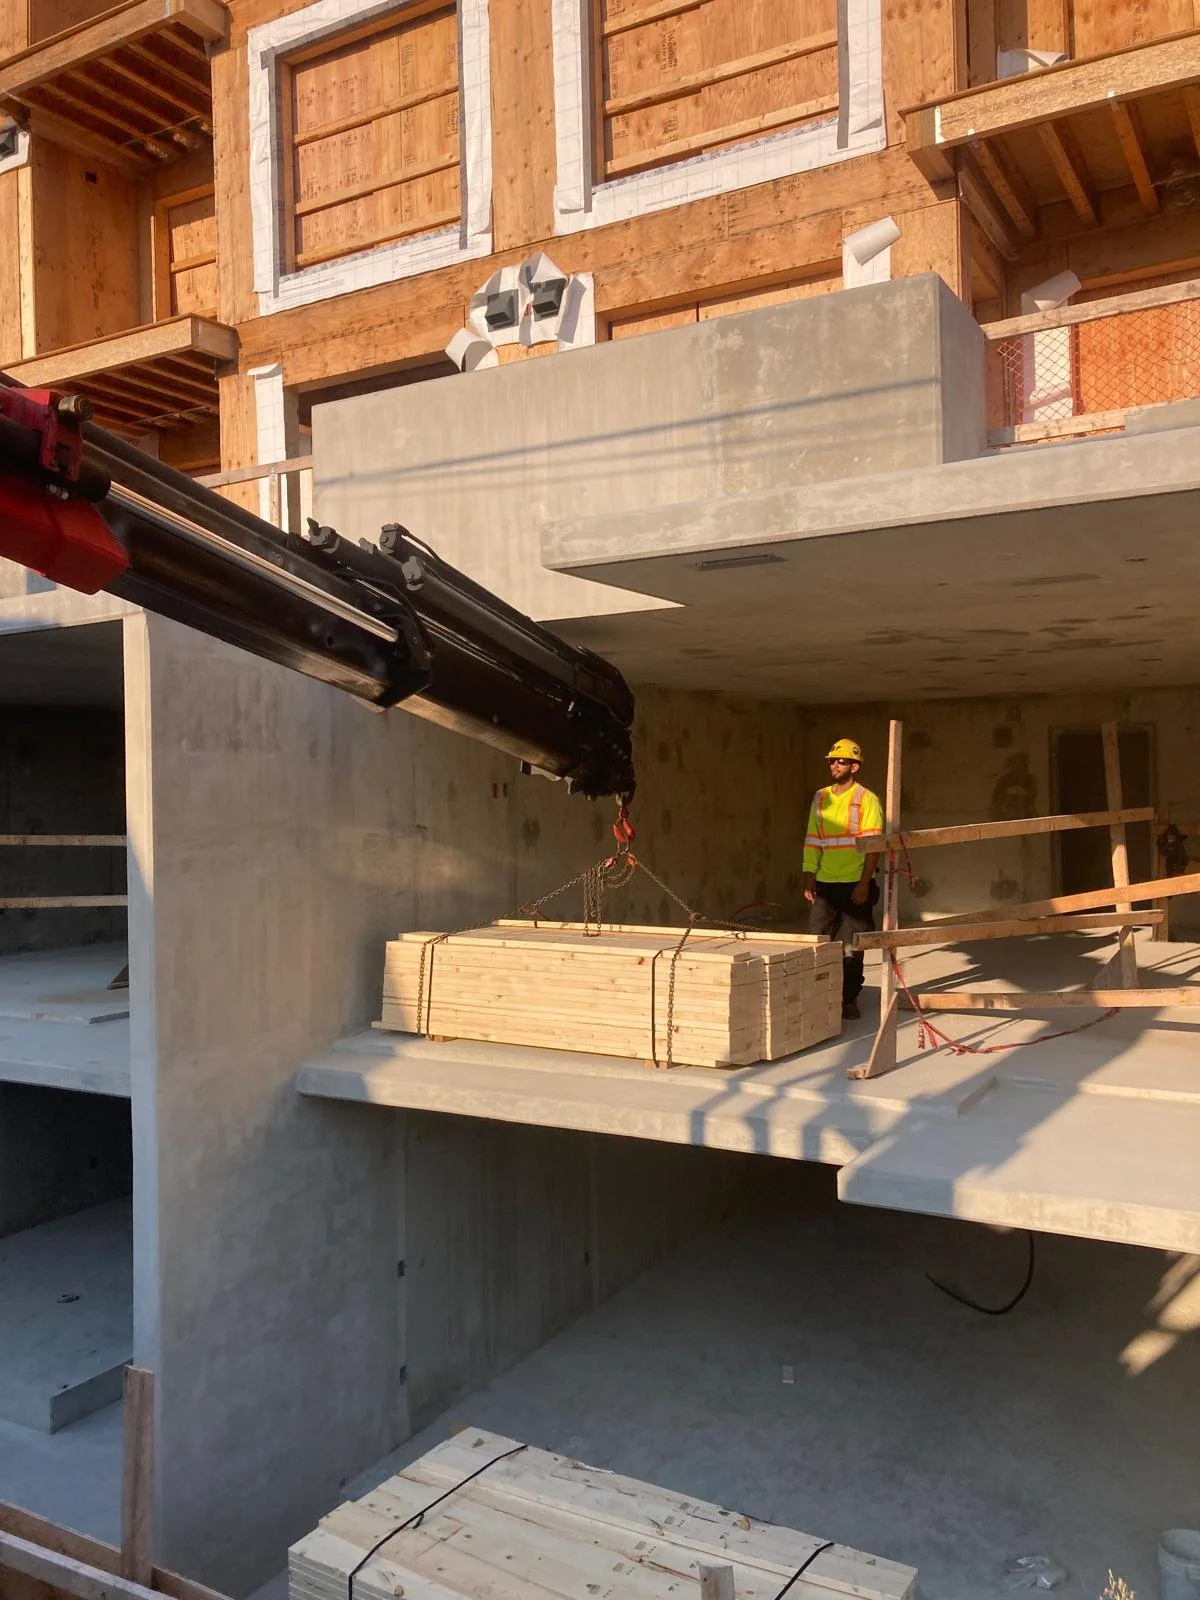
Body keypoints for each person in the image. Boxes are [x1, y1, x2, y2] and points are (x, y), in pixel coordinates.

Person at [802, 739, 884, 1021]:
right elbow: (813, 839)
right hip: (825, 882)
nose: (834, 765)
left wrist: (864, 883)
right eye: (831, 761)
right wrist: (809, 876)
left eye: (841, 761)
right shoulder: (820, 797)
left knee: (851, 945)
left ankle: (847, 999)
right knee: (817, 941)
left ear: (855, 766)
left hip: (854, 884)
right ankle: (818, 995)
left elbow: (874, 845)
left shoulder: (867, 799)